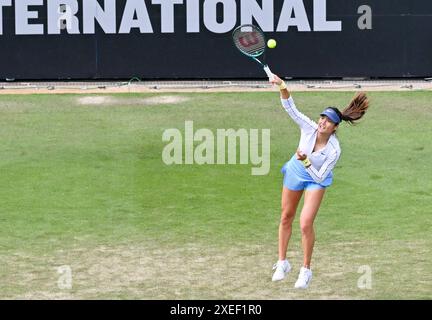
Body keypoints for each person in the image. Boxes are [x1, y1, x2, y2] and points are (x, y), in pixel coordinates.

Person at [270, 75, 369, 289]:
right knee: (286, 216)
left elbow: (319, 177)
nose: (323, 122)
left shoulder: (334, 151)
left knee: (305, 223)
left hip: (315, 178)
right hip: (295, 171)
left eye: (328, 121)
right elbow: (291, 108)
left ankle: (306, 270)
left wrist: (306, 161)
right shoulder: (309, 127)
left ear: (335, 127)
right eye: (322, 118)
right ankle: (282, 263)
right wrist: (282, 86)